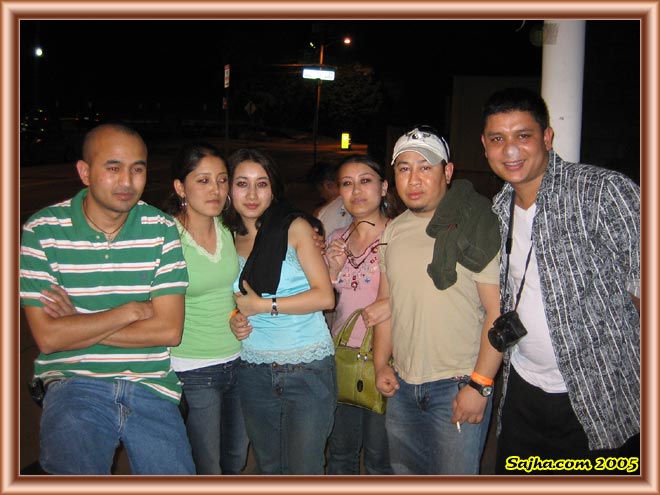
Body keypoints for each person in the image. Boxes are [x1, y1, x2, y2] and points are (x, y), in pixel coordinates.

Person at [19, 123, 195, 475]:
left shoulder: (161, 229)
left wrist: (78, 322)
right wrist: (131, 311)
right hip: (74, 381)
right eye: (113, 168)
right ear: (85, 172)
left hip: (150, 384)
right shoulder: (42, 231)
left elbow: (168, 331)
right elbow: (49, 338)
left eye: (137, 169)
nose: (127, 181)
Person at [481, 87, 640, 475]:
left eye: (523, 135)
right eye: (498, 139)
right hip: (523, 391)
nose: (510, 149)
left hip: (599, 394)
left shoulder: (602, 192)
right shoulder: (498, 209)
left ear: (547, 137)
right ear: (485, 147)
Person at [371, 126, 502, 475]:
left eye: (425, 167)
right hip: (402, 386)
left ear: (447, 172)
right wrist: (381, 364)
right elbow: (386, 303)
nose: (413, 179)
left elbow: (497, 313)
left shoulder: (475, 225)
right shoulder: (393, 230)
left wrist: (480, 384)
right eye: (404, 168)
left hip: (457, 383)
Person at [224, 148, 337, 475]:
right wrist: (235, 318)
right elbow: (233, 299)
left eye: (261, 184)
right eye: (242, 183)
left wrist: (265, 305)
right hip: (253, 368)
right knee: (268, 467)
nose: (252, 194)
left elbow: (325, 297)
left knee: (304, 469)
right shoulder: (226, 238)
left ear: (273, 189)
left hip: (306, 367)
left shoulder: (295, 227)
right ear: (228, 189)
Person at [163, 142, 249, 475]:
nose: (216, 189)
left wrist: (236, 315)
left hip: (238, 359)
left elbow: (230, 294)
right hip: (192, 367)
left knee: (235, 458)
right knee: (206, 466)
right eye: (203, 180)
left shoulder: (228, 230)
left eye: (222, 179)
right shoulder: (166, 236)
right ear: (180, 187)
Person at [324, 154, 398, 475]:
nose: (356, 191)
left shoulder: (399, 235)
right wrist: (332, 270)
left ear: (383, 187)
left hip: (391, 358)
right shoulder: (335, 239)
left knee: (380, 458)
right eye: (347, 183)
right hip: (343, 356)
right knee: (341, 453)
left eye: (365, 181)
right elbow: (327, 305)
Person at [308, 160, 353, 235]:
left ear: (327, 185)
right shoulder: (356, 202)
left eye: (320, 190)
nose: (321, 195)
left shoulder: (322, 213)